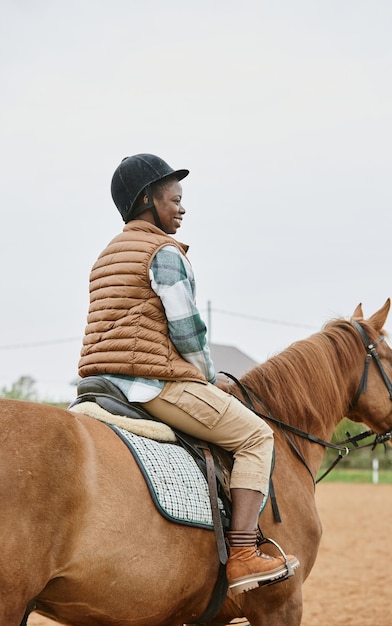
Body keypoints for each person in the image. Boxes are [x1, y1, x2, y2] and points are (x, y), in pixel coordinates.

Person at [78, 153, 299, 595]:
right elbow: (187, 331)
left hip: (95, 386)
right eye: (175, 199)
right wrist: (207, 374)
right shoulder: (164, 253)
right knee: (257, 436)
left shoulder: (106, 256)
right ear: (147, 199)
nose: (182, 208)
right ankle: (241, 555)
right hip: (150, 384)